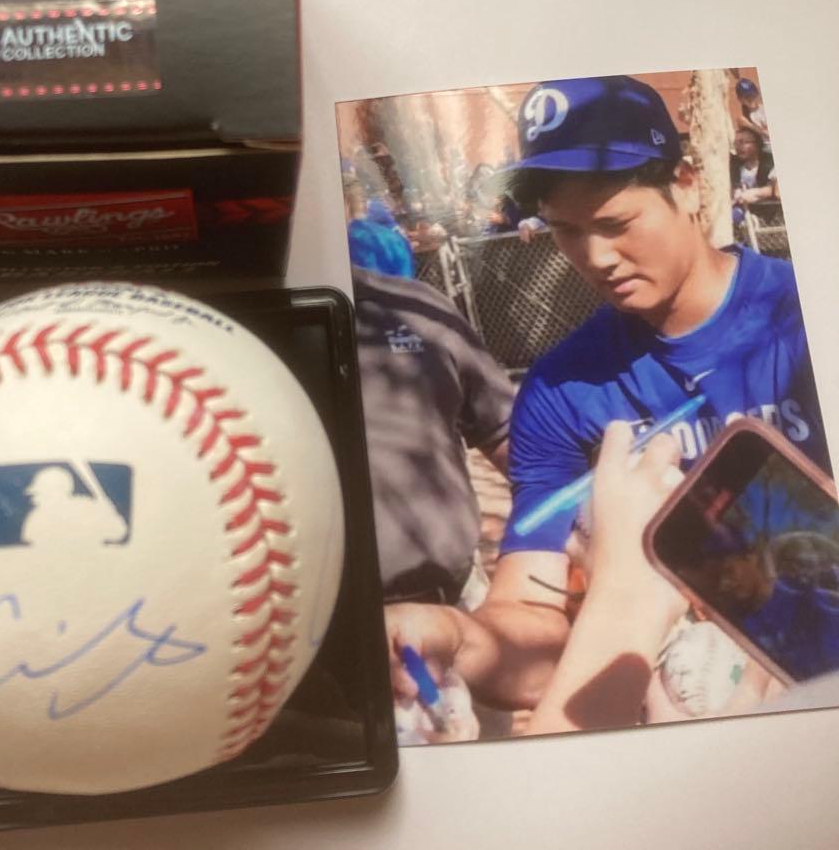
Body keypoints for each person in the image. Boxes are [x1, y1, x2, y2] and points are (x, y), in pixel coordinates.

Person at [384, 74, 831, 714]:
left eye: (616, 222)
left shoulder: (806, 314)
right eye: (565, 229)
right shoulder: (561, 390)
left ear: (687, 186)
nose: (595, 256)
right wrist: (455, 637)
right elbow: (532, 614)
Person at [352, 265, 515, 607]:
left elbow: (503, 434)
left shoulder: (414, 306)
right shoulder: (230, 335)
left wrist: (563, 535)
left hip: (453, 598)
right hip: (281, 624)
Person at [730, 126, 778, 220]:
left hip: (768, 212)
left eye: (743, 142)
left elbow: (775, 189)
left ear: (757, 144)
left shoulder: (769, 162)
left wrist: (757, 192)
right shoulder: (734, 164)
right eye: (736, 143)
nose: (738, 147)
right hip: (742, 210)